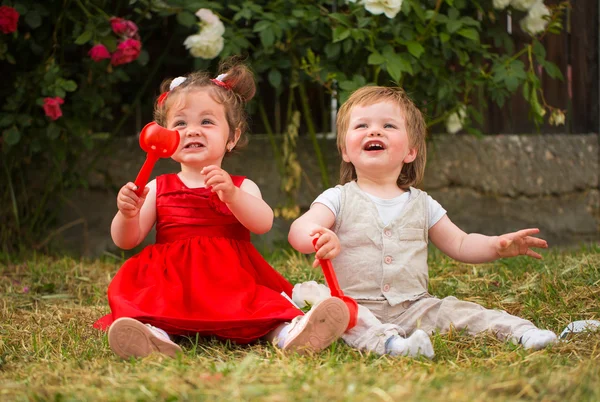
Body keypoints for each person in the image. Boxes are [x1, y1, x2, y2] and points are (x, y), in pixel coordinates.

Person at [94, 60, 349, 359]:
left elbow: (263, 223)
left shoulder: (241, 185)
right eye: (180, 123)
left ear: (232, 138)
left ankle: (288, 334)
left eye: (206, 122)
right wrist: (127, 214)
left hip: (230, 280)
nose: (192, 131)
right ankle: (154, 337)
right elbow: (127, 240)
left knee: (261, 308)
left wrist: (231, 195)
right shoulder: (157, 186)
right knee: (150, 307)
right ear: (164, 137)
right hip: (173, 283)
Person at [288, 86, 557, 359]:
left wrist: (495, 246)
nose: (374, 131)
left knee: (463, 313)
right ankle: (394, 346)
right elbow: (298, 230)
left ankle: (523, 332)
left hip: (415, 305)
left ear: (410, 152)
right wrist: (320, 235)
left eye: (388, 125)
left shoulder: (423, 204)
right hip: (355, 304)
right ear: (345, 150)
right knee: (347, 320)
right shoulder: (338, 198)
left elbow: (461, 243)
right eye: (362, 125)